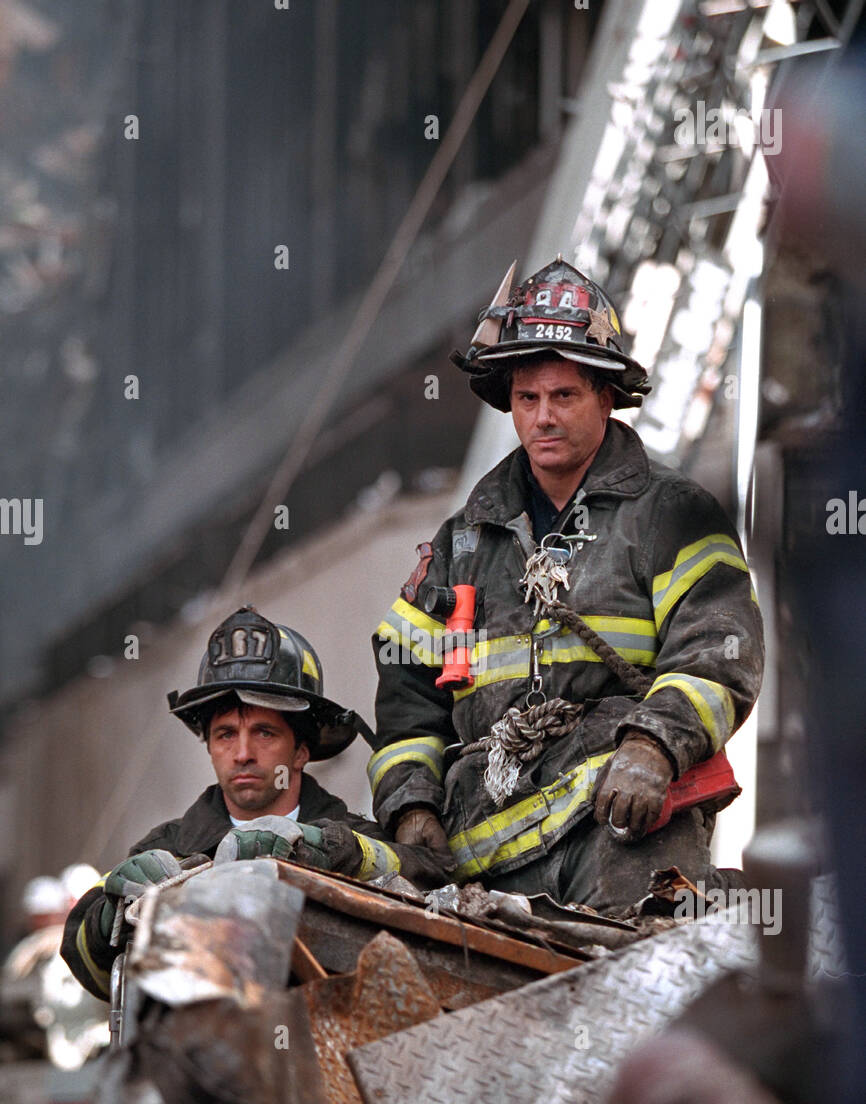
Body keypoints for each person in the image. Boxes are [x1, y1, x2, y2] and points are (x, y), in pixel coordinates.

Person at [369, 256, 764, 915]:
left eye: (564, 396)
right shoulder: (460, 542)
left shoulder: (671, 515)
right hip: (484, 865)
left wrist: (652, 747)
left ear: (607, 397)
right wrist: (411, 806)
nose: (543, 417)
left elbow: (720, 649)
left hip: (627, 831)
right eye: (528, 399)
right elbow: (405, 693)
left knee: (637, 998)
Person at [62, 605, 450, 999]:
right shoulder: (168, 848)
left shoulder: (353, 841)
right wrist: (110, 915)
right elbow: (86, 964)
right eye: (226, 734)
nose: (242, 753)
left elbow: (437, 877)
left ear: (301, 750)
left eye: (264, 733)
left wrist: (332, 854)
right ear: (210, 747)